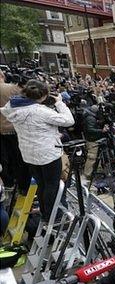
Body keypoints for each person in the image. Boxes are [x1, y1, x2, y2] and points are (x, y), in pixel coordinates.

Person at [0, 80, 74, 223]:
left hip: (29, 154)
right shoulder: (41, 111)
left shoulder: (12, 107)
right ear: (43, 95)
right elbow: (69, 120)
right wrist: (59, 103)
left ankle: (46, 214)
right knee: (52, 184)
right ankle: (55, 217)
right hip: (47, 154)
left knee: (41, 184)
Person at [0, 70, 29, 193]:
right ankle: (23, 186)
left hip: (1, 130)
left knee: (4, 158)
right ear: (2, 76)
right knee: (20, 159)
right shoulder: (12, 89)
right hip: (15, 128)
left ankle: (8, 183)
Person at [83, 105, 108, 177]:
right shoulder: (90, 118)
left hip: (93, 139)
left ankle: (96, 171)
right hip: (92, 140)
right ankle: (87, 174)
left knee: (95, 156)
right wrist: (101, 130)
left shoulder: (90, 116)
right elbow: (90, 129)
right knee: (92, 157)